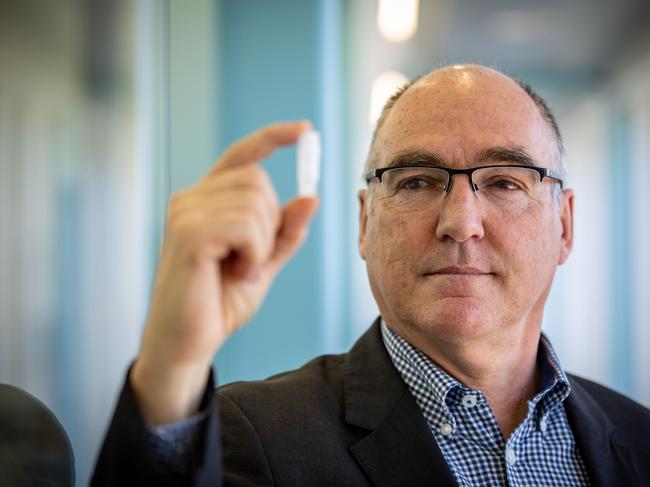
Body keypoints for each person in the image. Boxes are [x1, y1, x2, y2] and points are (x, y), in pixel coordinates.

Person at [92, 65, 650, 486]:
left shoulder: (637, 438)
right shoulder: (252, 435)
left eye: (505, 182)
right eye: (416, 181)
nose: (460, 223)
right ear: (365, 223)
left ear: (565, 225)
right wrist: (172, 366)